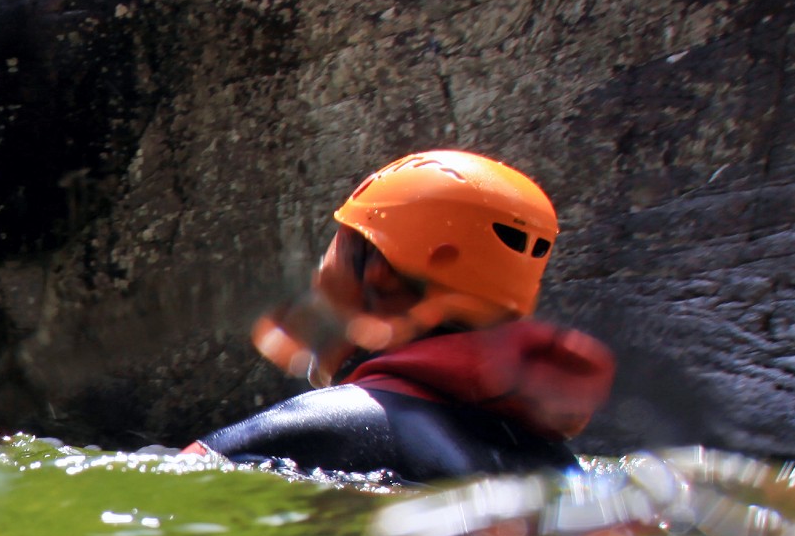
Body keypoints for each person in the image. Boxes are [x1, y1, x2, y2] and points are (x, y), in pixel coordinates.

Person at [191, 150, 616, 482]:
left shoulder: (309, 432)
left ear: (379, 274)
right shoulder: (549, 457)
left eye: (333, 252)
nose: (319, 276)